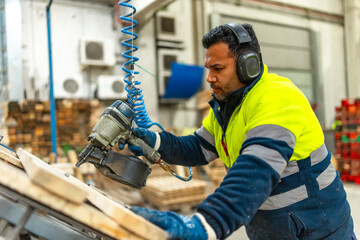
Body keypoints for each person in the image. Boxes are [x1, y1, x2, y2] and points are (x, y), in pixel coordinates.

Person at [119, 23, 355, 240]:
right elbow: (198, 148)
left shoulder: (278, 97)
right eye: (208, 68)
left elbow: (257, 168)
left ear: (248, 66)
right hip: (274, 228)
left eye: (218, 68)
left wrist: (207, 224)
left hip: (317, 227)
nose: (210, 77)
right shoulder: (227, 108)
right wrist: (156, 142)